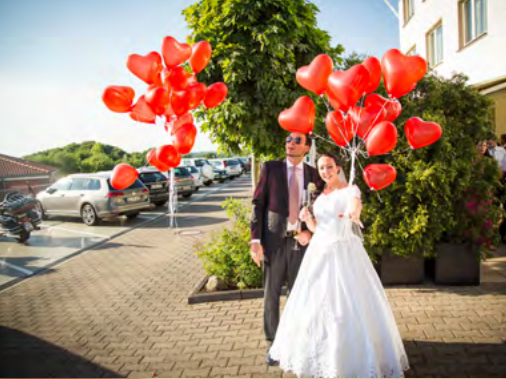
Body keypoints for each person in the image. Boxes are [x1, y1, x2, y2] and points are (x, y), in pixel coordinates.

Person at [268, 152, 409, 378]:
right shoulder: (320, 194)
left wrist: (354, 213)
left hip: (343, 251)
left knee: (346, 304)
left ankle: (352, 355)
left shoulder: (349, 189)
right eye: (322, 168)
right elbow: (317, 228)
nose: (326, 172)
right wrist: (307, 220)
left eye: (330, 167)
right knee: (315, 303)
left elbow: (355, 205)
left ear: (338, 167)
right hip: (319, 252)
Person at [250, 131, 322, 366]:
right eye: (288, 139)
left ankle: (297, 340)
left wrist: (310, 232)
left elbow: (320, 209)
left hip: (300, 243)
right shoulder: (270, 168)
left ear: (306, 147)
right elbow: (258, 204)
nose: (290, 143)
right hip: (273, 242)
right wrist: (255, 241)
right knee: (271, 295)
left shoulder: (313, 175)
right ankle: (273, 343)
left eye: (297, 140)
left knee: (299, 294)